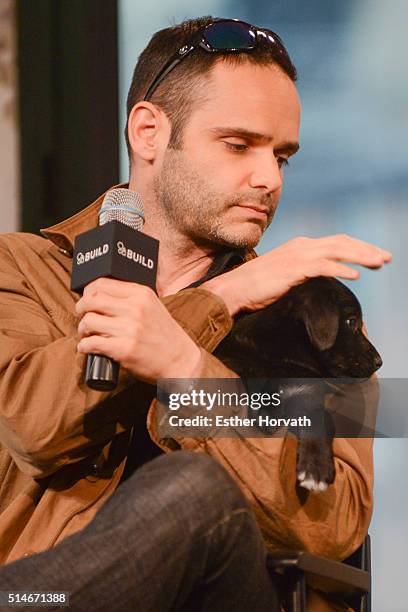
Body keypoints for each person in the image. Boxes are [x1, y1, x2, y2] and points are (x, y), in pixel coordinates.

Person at [0, 16, 391, 611]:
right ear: (149, 132)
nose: (267, 179)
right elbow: (32, 427)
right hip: (43, 595)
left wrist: (186, 367)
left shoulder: (315, 316)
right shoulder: (24, 267)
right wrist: (218, 302)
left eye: (281, 157)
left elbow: (331, 524)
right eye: (238, 145)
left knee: (193, 490)